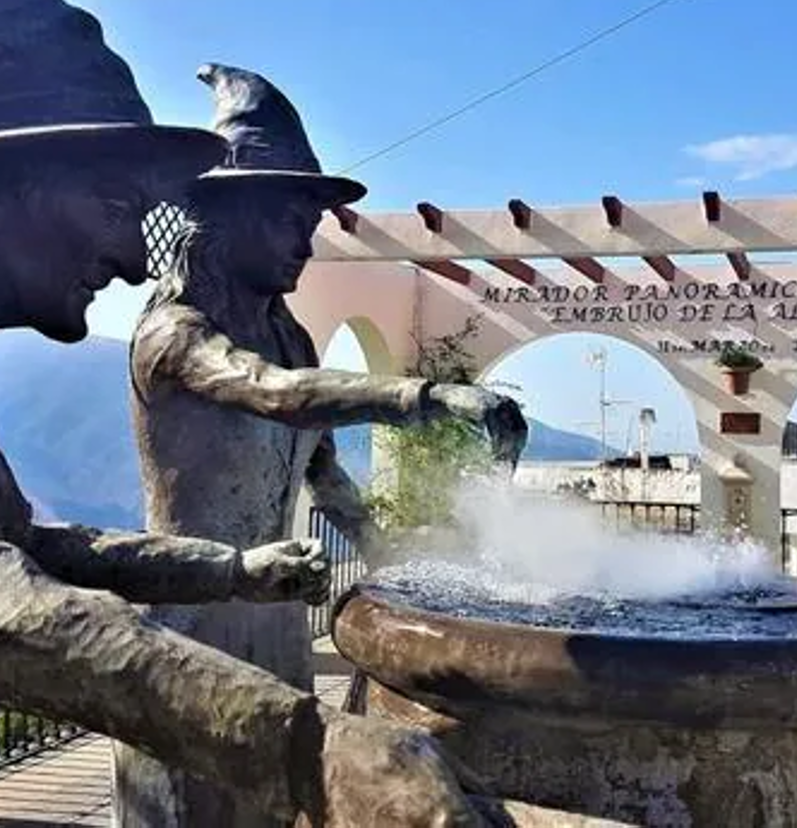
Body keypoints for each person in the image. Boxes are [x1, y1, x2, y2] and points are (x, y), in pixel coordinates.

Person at [0, 0, 485, 827]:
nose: (134, 256)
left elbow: (23, 544)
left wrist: (231, 572)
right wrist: (308, 749)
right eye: (115, 205)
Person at [121, 63, 528, 828]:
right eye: (286, 223)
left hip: (275, 616)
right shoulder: (174, 333)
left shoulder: (288, 332)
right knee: (191, 807)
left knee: (272, 803)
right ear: (229, 219)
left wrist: (388, 551)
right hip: (194, 614)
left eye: (308, 227)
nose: (304, 247)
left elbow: (322, 471)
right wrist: (426, 398)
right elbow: (270, 392)